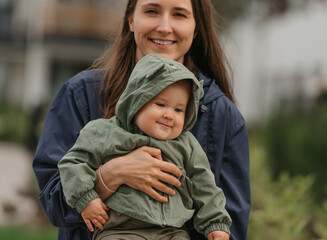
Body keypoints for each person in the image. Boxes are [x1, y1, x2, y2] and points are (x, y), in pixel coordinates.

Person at [32, 0, 251, 239]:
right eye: (151, 11)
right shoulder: (81, 95)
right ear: (130, 19)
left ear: (196, 28)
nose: (164, 27)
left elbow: (231, 226)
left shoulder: (223, 117)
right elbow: (52, 199)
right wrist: (110, 176)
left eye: (179, 14)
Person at [58, 54, 232, 240]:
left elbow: (204, 185)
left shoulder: (187, 145)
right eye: (160, 104)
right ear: (136, 101)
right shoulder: (103, 132)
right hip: (120, 230)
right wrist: (86, 198)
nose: (169, 115)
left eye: (178, 109)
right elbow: (73, 163)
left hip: (172, 231)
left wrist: (216, 223)